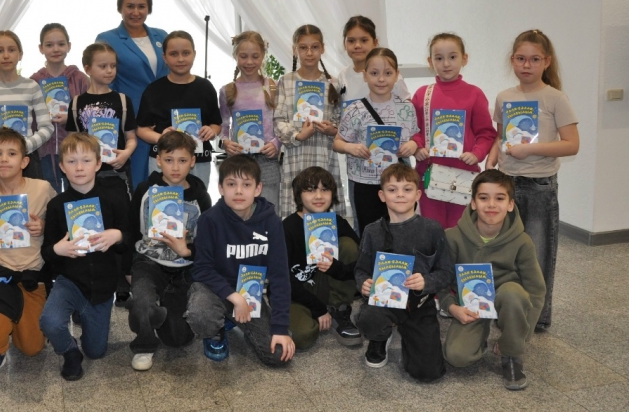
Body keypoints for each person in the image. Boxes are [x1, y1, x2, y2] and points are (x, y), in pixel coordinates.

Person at [486, 29, 578, 331]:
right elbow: (500, 136)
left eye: (535, 59)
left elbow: (572, 144)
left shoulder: (556, 98)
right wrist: (492, 158)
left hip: (539, 185)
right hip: (507, 184)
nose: (527, 65)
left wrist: (531, 149)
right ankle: (507, 310)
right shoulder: (504, 97)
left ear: (546, 61)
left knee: (538, 254)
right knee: (504, 252)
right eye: (521, 59)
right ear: (512, 60)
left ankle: (537, 317)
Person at [184, 155, 295, 366]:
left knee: (278, 355)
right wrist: (235, 298)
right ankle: (215, 330)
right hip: (214, 289)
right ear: (220, 188)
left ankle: (233, 319)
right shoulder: (209, 219)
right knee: (201, 314)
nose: (238, 191)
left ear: (258, 189)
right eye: (231, 184)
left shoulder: (271, 222)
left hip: (250, 293)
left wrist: (280, 328)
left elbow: (280, 276)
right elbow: (201, 269)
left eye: (246, 185)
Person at [440, 169, 545, 390]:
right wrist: (452, 308)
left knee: (513, 294)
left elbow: (536, 291)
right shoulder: (452, 237)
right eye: (483, 198)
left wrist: (518, 340)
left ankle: (511, 356)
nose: (491, 205)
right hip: (471, 305)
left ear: (510, 204)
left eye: (499, 198)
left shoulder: (522, 241)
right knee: (457, 357)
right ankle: (481, 335)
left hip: (508, 298)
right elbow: (441, 281)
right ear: (473, 203)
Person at [0, 128, 57, 386]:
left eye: (11, 154)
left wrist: (44, 226)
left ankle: (16, 322)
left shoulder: (42, 188)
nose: (4, 159)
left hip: (32, 271)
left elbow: (60, 221)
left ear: (25, 161)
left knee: (32, 348)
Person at [39, 134, 129, 381]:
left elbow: (131, 237)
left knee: (96, 352)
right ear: (62, 166)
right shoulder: (56, 205)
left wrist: (118, 235)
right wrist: (57, 250)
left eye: (86, 160)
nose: (79, 167)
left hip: (102, 286)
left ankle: (85, 316)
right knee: (50, 322)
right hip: (69, 281)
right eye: (72, 161)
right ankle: (69, 351)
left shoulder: (113, 198)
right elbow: (46, 251)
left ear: (98, 164)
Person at [354, 164, 451, 382]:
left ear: (418, 194)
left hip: (419, 303)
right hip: (384, 301)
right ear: (382, 196)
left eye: (407, 189)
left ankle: (411, 339)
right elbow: (361, 269)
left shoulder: (432, 229)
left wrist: (426, 282)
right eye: (392, 189)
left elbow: (446, 272)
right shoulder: (372, 231)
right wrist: (364, 283)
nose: (400, 195)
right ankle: (380, 337)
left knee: (428, 373)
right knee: (368, 319)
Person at [127, 131, 212, 371]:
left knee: (178, 340)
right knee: (142, 300)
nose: (175, 167)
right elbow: (131, 228)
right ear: (158, 160)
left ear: (192, 161)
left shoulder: (201, 196)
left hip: (184, 269)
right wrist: (127, 270)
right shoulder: (145, 189)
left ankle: (161, 307)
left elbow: (208, 242)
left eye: (182, 160)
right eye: (169, 160)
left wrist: (189, 251)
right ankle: (144, 343)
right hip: (148, 262)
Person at [67, 42, 137, 303]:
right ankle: (91, 282)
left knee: (120, 225)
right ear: (88, 68)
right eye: (103, 66)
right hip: (87, 178)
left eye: (113, 66)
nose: (109, 71)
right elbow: (72, 142)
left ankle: (122, 284)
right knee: (90, 224)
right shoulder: (77, 103)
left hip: (116, 174)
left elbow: (131, 137)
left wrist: (126, 154)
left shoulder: (122, 100)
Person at [411, 33, 496, 229]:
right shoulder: (423, 94)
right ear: (430, 62)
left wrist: (477, 154)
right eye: (439, 58)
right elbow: (414, 129)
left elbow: (486, 133)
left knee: (459, 231)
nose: (446, 63)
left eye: (452, 57)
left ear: (464, 59)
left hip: (463, 175)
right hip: (429, 175)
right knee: (432, 230)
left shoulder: (474, 94)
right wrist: (418, 147)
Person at [334, 47, 419, 233]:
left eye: (388, 73)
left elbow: (415, 137)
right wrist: (350, 148)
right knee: (368, 232)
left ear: (397, 75)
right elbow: (337, 142)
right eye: (374, 73)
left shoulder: (406, 108)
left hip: (398, 184)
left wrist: (413, 144)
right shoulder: (355, 109)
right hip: (364, 183)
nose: (381, 79)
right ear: (365, 75)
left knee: (401, 231)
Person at [95, 0, 169, 186]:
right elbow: (104, 82)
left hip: (164, 118)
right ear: (120, 8)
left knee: (167, 177)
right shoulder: (107, 39)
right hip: (131, 119)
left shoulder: (162, 36)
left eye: (141, 6)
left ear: (149, 8)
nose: (136, 12)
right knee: (136, 178)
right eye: (130, 6)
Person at [283, 167, 361, 350]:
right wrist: (318, 309)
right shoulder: (287, 228)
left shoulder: (337, 222)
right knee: (302, 336)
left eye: (324, 189)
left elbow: (362, 263)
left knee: (348, 245)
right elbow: (283, 279)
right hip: (296, 292)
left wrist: (336, 268)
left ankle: (339, 309)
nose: (318, 196)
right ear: (299, 195)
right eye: (310, 190)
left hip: (324, 286)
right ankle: (305, 313)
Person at [273, 25, 344, 219]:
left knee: (324, 212)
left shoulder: (333, 83)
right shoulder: (286, 81)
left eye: (314, 47)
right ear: (295, 50)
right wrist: (298, 135)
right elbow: (278, 119)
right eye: (303, 48)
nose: (309, 53)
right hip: (295, 158)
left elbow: (342, 120)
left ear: (323, 48)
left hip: (324, 156)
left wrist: (332, 129)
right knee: (295, 214)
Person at [136, 31, 222, 187]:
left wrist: (212, 131)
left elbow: (216, 123)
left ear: (194, 54)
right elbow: (142, 129)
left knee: (196, 200)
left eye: (186, 53)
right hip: (164, 162)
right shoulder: (154, 90)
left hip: (198, 160)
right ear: (164, 57)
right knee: (164, 202)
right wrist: (160, 137)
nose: (180, 59)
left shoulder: (205, 87)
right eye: (174, 54)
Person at [0, 30, 53, 182]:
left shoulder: (32, 86)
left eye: (11, 50)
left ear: (20, 54)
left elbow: (47, 127)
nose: (6, 55)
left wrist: (24, 146)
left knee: (33, 197)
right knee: (1, 198)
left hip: (27, 158)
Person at [218, 31, 282, 214]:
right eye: (243, 56)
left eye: (255, 56)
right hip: (238, 159)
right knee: (238, 213)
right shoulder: (227, 91)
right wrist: (225, 142)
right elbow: (223, 126)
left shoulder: (273, 86)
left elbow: (281, 121)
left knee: (269, 212)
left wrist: (276, 143)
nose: (249, 62)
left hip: (267, 160)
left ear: (263, 56)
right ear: (235, 56)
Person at [30, 23, 90, 193]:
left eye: (61, 44)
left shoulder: (80, 79)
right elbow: (28, 117)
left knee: (77, 192)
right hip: (45, 150)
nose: (56, 49)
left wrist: (71, 119)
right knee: (49, 194)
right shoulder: (34, 81)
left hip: (76, 150)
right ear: (41, 48)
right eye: (49, 45)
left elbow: (90, 114)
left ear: (69, 46)